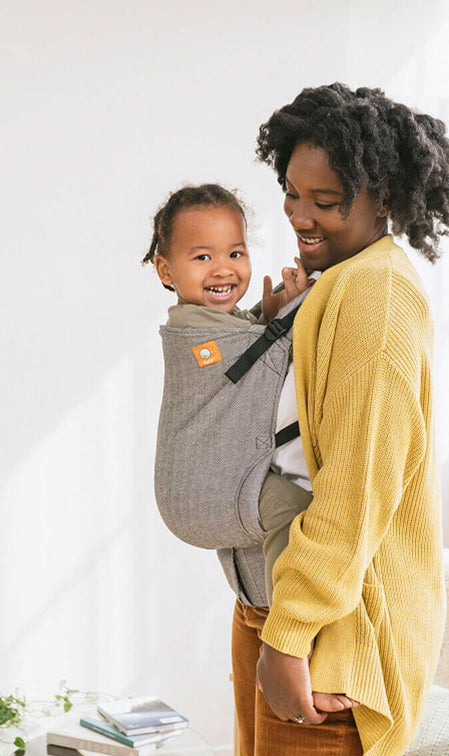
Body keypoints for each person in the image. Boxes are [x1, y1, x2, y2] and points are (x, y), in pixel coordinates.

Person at [230, 83, 449, 756]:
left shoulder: (376, 293)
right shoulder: (335, 282)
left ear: (382, 194)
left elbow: (357, 490)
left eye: (324, 201)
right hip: (275, 605)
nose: (299, 215)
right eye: (291, 193)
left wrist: (289, 634)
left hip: (329, 632)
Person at [143, 182, 359, 715]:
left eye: (235, 253)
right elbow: (257, 358)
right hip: (203, 490)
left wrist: (269, 308)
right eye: (202, 257)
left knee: (259, 535)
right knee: (292, 509)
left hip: (210, 494)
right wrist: (308, 299)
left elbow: (245, 346)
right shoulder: (193, 335)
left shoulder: (215, 324)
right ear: (165, 270)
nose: (223, 269)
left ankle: (266, 609)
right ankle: (306, 655)